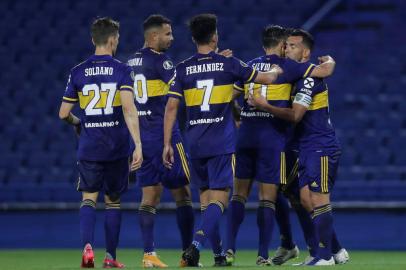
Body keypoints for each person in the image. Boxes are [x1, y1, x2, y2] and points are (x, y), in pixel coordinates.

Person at [162, 13, 283, 267]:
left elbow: (171, 108)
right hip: (220, 144)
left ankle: (218, 256)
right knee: (220, 199)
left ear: (194, 38)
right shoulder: (229, 65)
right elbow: (268, 79)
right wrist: (275, 68)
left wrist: (166, 144)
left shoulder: (182, 69)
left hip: (193, 143)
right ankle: (195, 246)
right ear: (215, 36)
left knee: (205, 201)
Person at [225, 25, 336, 266]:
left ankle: (230, 249)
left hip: (250, 137)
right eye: (288, 44)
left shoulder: (249, 65)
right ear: (281, 44)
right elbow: (324, 70)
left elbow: (229, 97)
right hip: (275, 139)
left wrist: (237, 116)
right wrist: (331, 62)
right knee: (278, 195)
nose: (289, 48)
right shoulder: (291, 67)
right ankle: (270, 252)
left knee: (245, 195)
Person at [248, 29, 349, 266]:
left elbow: (295, 115)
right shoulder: (297, 75)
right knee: (304, 198)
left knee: (318, 197)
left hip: (320, 146)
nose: (287, 49)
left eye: (292, 46)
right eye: (286, 45)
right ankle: (334, 250)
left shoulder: (309, 79)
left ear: (306, 52)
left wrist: (265, 105)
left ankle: (324, 256)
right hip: (306, 147)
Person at [58, 17, 143, 268]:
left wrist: (78, 123)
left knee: (88, 198)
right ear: (113, 39)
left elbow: (63, 113)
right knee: (113, 201)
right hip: (116, 147)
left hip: (90, 146)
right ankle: (110, 257)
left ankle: (87, 250)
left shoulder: (77, 71)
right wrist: (138, 143)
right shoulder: (123, 70)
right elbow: (129, 109)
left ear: (92, 39)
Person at [127, 14, 194, 268]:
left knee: (149, 197)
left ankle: (148, 254)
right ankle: (187, 255)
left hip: (142, 138)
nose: (172, 38)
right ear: (153, 36)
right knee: (183, 195)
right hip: (165, 135)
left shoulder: (129, 63)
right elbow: (180, 93)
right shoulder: (163, 62)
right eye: (167, 33)